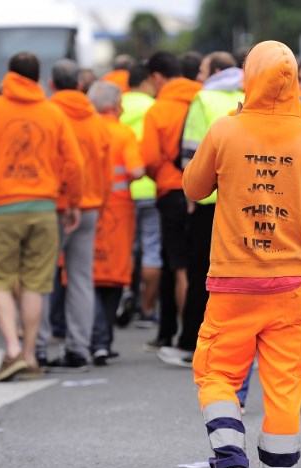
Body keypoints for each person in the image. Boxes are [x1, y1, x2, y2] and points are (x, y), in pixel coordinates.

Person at [183, 40, 301, 468]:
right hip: (290, 285)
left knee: (215, 373)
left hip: (232, 283)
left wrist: (234, 124)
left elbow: (193, 188)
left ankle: (229, 456)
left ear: (250, 76)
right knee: (285, 390)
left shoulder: (226, 129)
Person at [0, 52, 83, 382]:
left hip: (1, 205)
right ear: (38, 77)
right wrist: (71, 202)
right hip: (44, 207)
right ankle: (30, 357)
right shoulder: (52, 112)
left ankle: (13, 351)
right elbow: (74, 163)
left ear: (9, 75)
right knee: (35, 283)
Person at [157, 51, 243, 367]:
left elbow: (190, 157)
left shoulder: (203, 99)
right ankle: (236, 345)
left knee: (201, 273)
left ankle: (190, 343)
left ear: (215, 71)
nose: (199, 76)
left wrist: (192, 197)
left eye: (204, 70)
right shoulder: (246, 95)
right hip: (243, 201)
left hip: (208, 202)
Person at [39, 59, 111, 371]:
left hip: (57, 207)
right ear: (80, 86)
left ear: (52, 84)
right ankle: (79, 348)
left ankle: (37, 347)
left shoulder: (48, 116)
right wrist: (99, 203)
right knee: (82, 278)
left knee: (41, 278)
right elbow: (107, 173)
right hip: (91, 206)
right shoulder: (96, 121)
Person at [141, 51, 202, 351]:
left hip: (171, 192)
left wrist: (164, 176)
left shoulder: (159, 109)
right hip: (205, 192)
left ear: (156, 77)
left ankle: (181, 337)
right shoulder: (202, 99)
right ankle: (198, 333)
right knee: (199, 265)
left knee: (177, 265)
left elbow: (150, 159)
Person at [88, 81, 145, 365]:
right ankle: (102, 340)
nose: (123, 108)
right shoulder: (123, 133)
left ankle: (93, 339)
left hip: (86, 208)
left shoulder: (84, 130)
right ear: (111, 106)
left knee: (87, 276)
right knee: (113, 278)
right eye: (121, 103)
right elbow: (136, 169)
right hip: (118, 212)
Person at [119, 62, 160, 328]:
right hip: (150, 187)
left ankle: (123, 299)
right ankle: (147, 310)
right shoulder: (153, 108)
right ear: (146, 82)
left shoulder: (115, 106)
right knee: (151, 250)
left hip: (121, 190)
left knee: (124, 249)